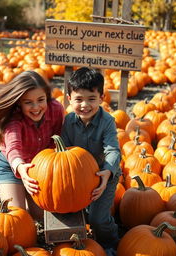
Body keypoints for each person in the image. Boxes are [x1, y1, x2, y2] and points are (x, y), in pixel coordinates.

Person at [0, 71, 65, 220]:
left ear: (47, 97)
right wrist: (21, 169)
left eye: (40, 100)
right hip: (11, 167)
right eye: (28, 102)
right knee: (17, 217)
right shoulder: (13, 119)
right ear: (19, 103)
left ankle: (30, 202)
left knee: (41, 215)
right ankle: (20, 196)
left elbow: (56, 140)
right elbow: (13, 148)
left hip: (38, 167)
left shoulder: (55, 109)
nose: (36, 107)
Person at [61, 67, 121, 253]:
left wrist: (107, 173)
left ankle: (111, 242)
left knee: (98, 218)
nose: (85, 105)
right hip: (78, 175)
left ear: (102, 98)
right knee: (75, 212)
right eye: (79, 99)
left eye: (91, 99)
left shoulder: (107, 121)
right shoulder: (68, 122)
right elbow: (65, 151)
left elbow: (112, 149)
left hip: (103, 174)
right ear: (69, 99)